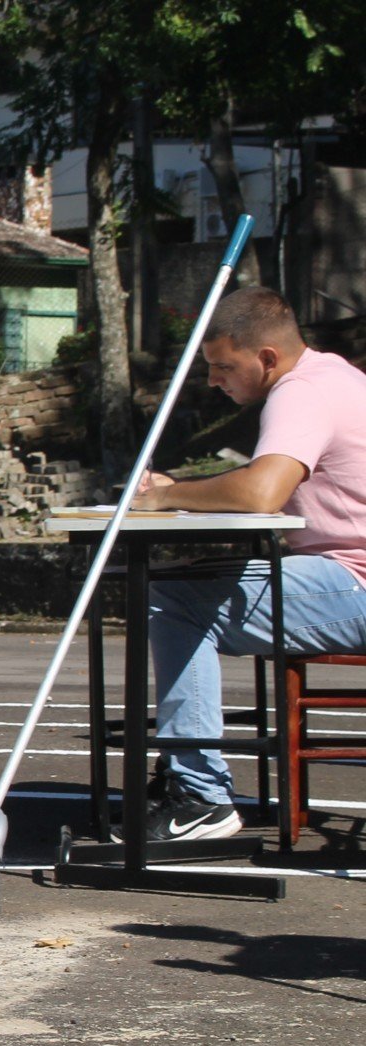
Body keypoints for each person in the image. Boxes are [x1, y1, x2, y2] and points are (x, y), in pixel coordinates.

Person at [128, 285, 366, 840]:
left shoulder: (301, 393)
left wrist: (166, 494)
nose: (214, 380)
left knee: (175, 601)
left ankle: (201, 796)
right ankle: (187, 774)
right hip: (341, 574)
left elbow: (262, 493)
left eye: (222, 366)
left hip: (353, 584)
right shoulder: (340, 376)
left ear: (266, 358)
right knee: (188, 584)